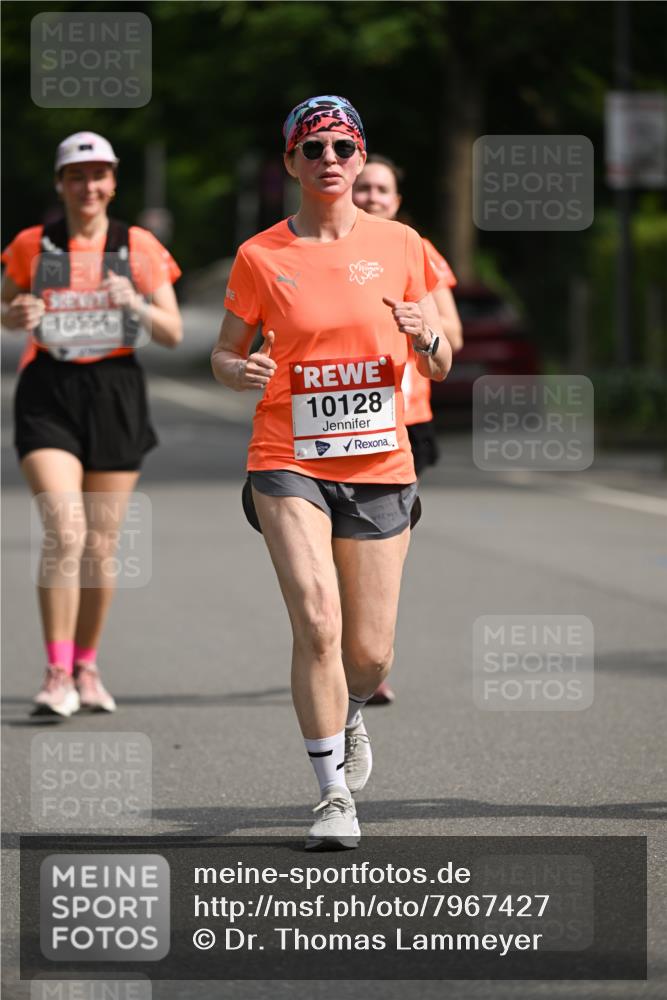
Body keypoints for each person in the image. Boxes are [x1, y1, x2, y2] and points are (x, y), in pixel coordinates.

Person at [211, 97, 451, 850]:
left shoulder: (402, 243)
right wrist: (237, 369)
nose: (329, 161)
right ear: (290, 162)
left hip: (380, 458)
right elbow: (222, 352)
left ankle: (347, 711)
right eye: (311, 148)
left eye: (342, 148)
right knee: (317, 619)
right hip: (287, 456)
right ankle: (330, 795)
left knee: (370, 651)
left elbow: (440, 363)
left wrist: (428, 335)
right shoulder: (260, 256)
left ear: (359, 157)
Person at [1, 131, 182, 717]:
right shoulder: (34, 244)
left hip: (115, 392)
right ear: (60, 183)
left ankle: (86, 664)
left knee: (100, 546)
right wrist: (18, 311)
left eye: (99, 174)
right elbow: (6, 309)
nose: (88, 186)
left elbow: (173, 332)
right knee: (65, 530)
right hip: (48, 390)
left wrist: (135, 302)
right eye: (76, 176)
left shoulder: (137, 245)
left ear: (113, 181)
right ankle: (56, 675)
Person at [353, 154, 463, 706]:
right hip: (339, 418)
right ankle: (344, 647)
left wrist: (420, 328)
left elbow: (453, 337)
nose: (372, 196)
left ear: (397, 201)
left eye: (382, 190)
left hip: (404, 418)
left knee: (385, 546)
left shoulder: (412, 248)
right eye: (364, 187)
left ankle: (370, 654)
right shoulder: (329, 248)